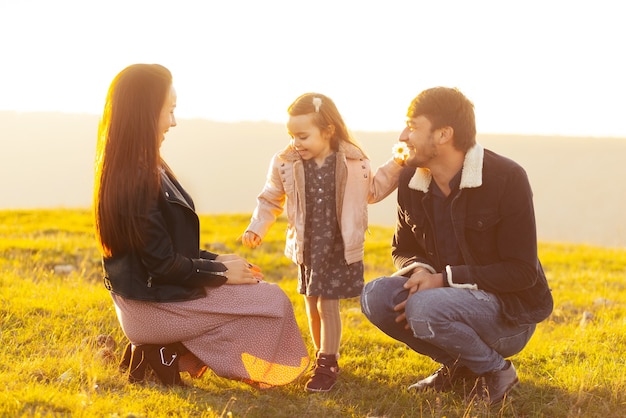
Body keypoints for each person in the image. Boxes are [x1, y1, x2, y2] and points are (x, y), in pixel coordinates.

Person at [93, 63, 309, 388]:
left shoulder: (144, 165)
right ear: (145, 112)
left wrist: (219, 261)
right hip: (149, 308)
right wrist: (220, 274)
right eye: (169, 111)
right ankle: (172, 353)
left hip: (153, 297)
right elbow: (162, 265)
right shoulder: (136, 177)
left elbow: (167, 250)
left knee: (261, 293)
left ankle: (166, 353)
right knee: (272, 303)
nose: (173, 121)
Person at [360, 87, 553, 404]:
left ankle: (497, 370)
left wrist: (443, 280)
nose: (403, 135)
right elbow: (402, 248)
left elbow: (521, 272)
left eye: (413, 125)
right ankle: (459, 367)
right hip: (442, 302)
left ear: (443, 134)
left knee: (423, 307)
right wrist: (421, 270)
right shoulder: (411, 177)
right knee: (376, 296)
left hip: (508, 315)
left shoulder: (506, 177)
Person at [241, 93, 403, 392]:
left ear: (328, 131)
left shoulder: (354, 161)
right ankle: (320, 357)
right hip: (307, 248)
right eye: (291, 136)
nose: (296, 143)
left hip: (338, 247)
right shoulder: (285, 163)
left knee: (328, 306)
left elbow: (375, 190)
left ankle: (328, 362)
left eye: (303, 136)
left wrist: (399, 162)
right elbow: (270, 198)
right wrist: (257, 228)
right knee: (311, 305)